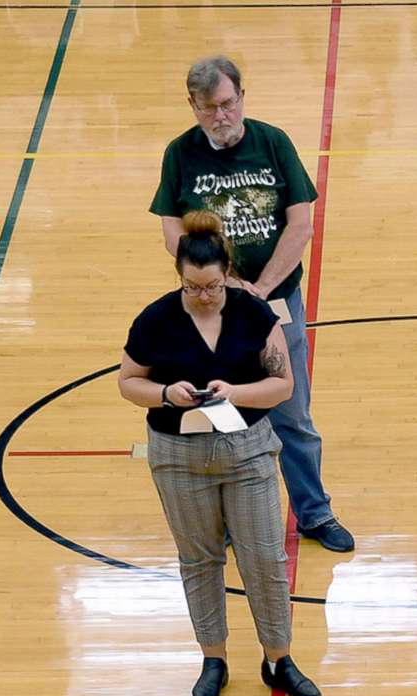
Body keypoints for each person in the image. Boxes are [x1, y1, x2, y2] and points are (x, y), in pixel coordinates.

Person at [150, 56, 353, 555]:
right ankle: (226, 522)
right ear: (192, 106)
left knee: (291, 411)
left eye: (227, 103)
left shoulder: (273, 143)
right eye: (208, 108)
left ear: (242, 96)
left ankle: (314, 513)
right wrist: (223, 284)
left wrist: (259, 288)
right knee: (217, 410)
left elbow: (300, 224)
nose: (220, 115)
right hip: (209, 307)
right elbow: (171, 229)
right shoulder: (180, 154)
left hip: (276, 301)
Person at [119, 210, 316, 696]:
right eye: (192, 287)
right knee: (199, 561)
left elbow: (283, 385)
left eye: (211, 287)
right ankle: (214, 660)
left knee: (265, 560)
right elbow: (128, 382)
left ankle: (279, 660)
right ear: (180, 278)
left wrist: (237, 391)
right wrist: (166, 392)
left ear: (227, 273)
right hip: (178, 456)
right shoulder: (156, 319)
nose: (203, 296)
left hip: (247, 452)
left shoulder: (255, 314)